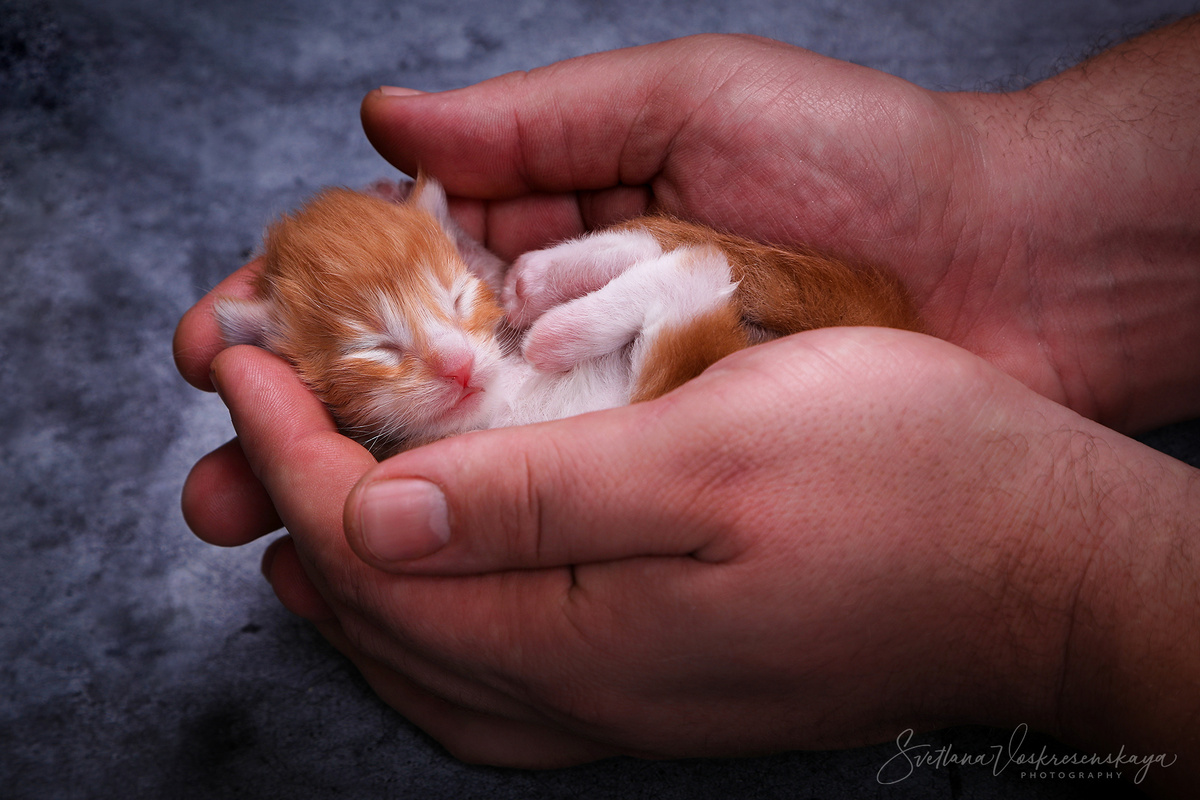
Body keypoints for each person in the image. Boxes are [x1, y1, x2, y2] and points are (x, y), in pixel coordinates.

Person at [174, 17, 1200, 797]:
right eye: (371, 351)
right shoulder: (385, 388)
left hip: (675, 370)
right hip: (663, 388)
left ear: (454, 245)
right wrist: (1019, 204)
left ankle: (668, 278)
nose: (451, 363)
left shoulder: (492, 311)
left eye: (451, 298)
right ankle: (665, 277)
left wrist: (1053, 592)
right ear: (293, 361)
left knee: (660, 410)